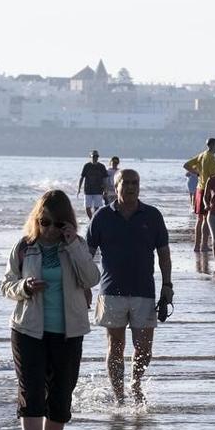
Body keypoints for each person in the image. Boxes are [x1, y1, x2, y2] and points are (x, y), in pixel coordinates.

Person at [1, 190, 100, 430]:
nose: (50, 229)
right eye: (45, 222)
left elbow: (92, 278)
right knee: (31, 395)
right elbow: (6, 284)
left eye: (58, 224)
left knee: (60, 398)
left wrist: (72, 246)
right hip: (27, 330)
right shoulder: (24, 246)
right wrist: (24, 287)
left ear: (67, 223)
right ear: (37, 219)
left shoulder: (75, 245)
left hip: (68, 333)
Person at [86, 169, 172, 405]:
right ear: (116, 186)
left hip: (144, 291)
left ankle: (135, 383)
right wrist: (83, 286)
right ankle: (119, 395)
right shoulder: (102, 217)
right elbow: (87, 255)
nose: (132, 187)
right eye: (126, 182)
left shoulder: (152, 215)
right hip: (111, 291)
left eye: (136, 182)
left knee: (144, 349)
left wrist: (167, 285)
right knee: (115, 346)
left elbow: (164, 254)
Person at [183, 138, 215, 253]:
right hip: (207, 190)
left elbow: (186, 165)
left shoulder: (202, 155)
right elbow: (214, 177)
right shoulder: (212, 158)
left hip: (199, 189)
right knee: (206, 218)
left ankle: (196, 245)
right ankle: (204, 245)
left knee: (199, 219)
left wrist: (197, 173)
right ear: (213, 145)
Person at [78, 150, 108, 219]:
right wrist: (79, 189)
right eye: (93, 156)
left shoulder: (102, 166)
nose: (95, 158)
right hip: (88, 190)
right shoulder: (87, 166)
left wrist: (105, 190)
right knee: (87, 207)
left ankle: (94, 220)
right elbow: (82, 177)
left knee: (96, 207)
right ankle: (91, 220)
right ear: (90, 157)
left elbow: (105, 179)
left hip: (98, 190)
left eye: (96, 156)